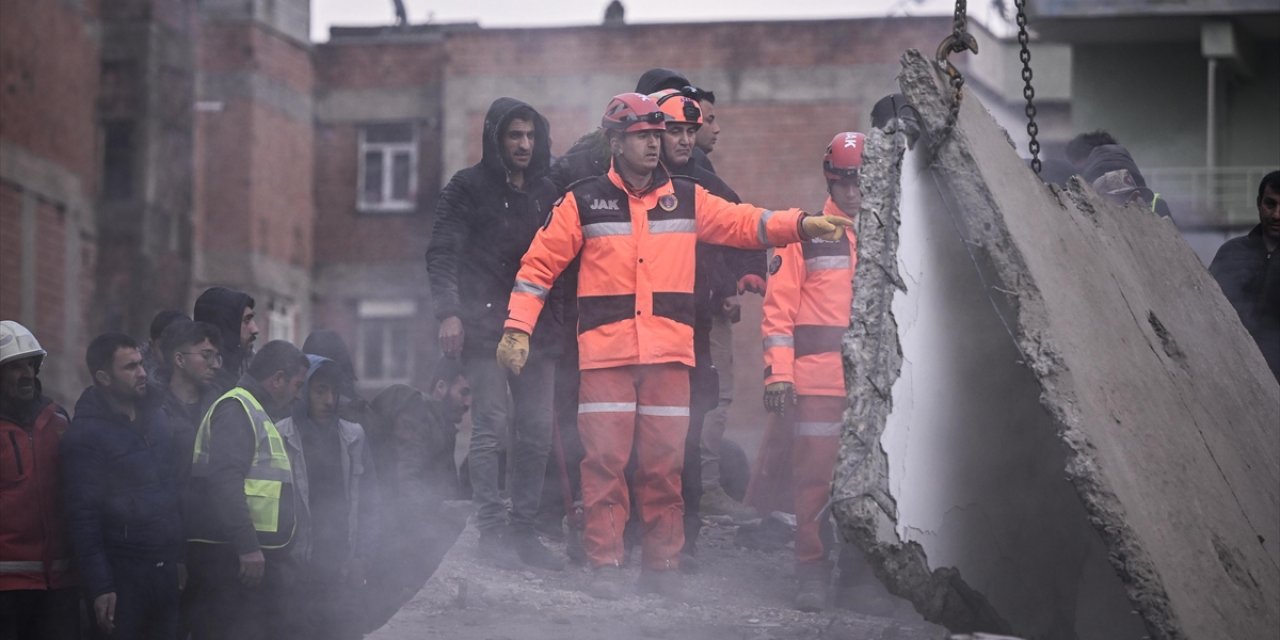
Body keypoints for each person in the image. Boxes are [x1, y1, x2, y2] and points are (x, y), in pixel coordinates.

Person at [497, 92, 852, 600]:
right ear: (616, 142)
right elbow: (537, 269)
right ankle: (605, 563)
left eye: (655, 136)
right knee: (604, 464)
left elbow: (744, 221)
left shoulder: (686, 197)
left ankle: (661, 565)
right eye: (642, 136)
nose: (652, 145)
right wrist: (516, 328)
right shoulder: (583, 199)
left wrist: (797, 225)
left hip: (668, 357)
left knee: (664, 466)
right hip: (606, 357)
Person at [425, 97, 566, 571]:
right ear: (495, 138)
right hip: (483, 326)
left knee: (536, 432)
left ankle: (525, 530)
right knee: (490, 427)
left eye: (530, 135)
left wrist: (563, 321)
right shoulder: (466, 188)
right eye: (514, 135)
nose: (524, 144)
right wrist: (449, 313)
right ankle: (491, 530)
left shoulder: (549, 192)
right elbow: (442, 251)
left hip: (538, 330)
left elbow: (565, 261)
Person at [746, 132, 864, 612]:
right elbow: (778, 311)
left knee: (865, 486)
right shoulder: (807, 234)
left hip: (874, 389)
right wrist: (779, 374)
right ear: (830, 181)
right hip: (818, 382)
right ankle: (810, 569)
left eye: (862, 181)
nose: (855, 191)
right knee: (812, 481)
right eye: (845, 182)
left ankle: (859, 577)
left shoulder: (892, 235)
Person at [182, 340, 308, 640]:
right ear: (277, 379)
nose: (298, 395)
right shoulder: (237, 409)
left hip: (237, 558)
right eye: (296, 385)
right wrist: (248, 546)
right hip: (228, 560)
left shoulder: (253, 410)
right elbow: (225, 480)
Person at [62, 333, 184, 638]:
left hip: (164, 570)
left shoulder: (156, 419)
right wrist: (101, 586)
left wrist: (178, 555)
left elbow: (170, 492)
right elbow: (82, 518)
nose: (142, 373)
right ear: (104, 377)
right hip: (122, 575)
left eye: (141, 364)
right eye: (130, 367)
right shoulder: (85, 436)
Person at [275, 356, 377, 640]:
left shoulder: (353, 437)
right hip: (297, 572)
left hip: (342, 566)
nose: (329, 400)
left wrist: (362, 558)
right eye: (320, 391)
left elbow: (370, 502)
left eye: (333, 391)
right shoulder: (280, 435)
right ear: (304, 391)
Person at [0, 321, 79, 640]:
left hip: (59, 585)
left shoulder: (58, 420)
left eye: (30, 364)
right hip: (5, 589)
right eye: (14, 367)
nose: (27, 375)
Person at [1210, 170, 1280, 383]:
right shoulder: (1231, 252)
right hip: (1234, 379)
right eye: (1270, 204)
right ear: (1259, 203)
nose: (1277, 214)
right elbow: (1206, 308)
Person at [152, 320, 223, 490]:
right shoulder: (150, 407)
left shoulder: (221, 407)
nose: (215, 365)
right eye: (206, 355)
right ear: (180, 359)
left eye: (217, 357)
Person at [194, 287, 260, 395]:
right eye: (246, 320)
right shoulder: (199, 381)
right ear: (225, 324)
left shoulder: (249, 369)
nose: (255, 329)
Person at [141, 309, 190, 377]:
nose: (175, 357)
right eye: (166, 347)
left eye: (182, 348)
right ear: (152, 346)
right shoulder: (139, 380)